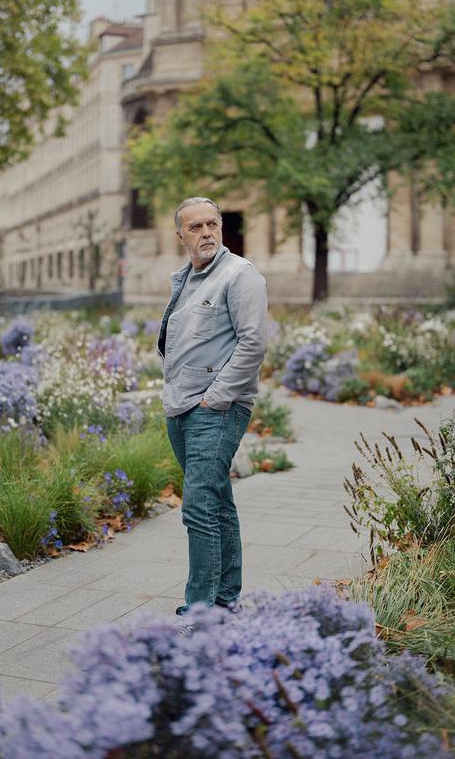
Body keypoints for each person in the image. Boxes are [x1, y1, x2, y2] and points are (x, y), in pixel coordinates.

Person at [157, 196, 268, 615]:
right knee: (217, 499)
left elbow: (253, 342)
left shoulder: (240, 276)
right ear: (180, 235)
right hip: (181, 407)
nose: (206, 232)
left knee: (198, 505)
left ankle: (199, 611)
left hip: (216, 408)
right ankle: (225, 599)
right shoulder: (185, 278)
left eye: (212, 224)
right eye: (196, 227)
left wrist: (215, 399)